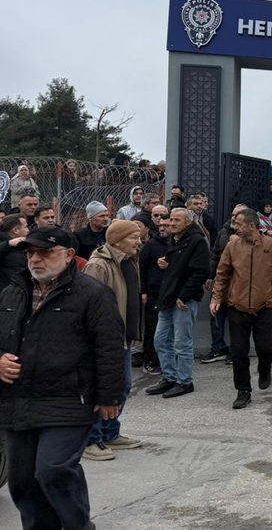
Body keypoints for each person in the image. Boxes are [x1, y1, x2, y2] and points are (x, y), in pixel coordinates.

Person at [0, 226, 124, 530]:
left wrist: (109, 396)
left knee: (53, 469)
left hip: (69, 399)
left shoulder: (92, 294)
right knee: (21, 480)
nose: (36, 260)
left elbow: (109, 346)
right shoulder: (13, 291)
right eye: (31, 253)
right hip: (18, 401)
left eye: (45, 253)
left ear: (69, 256)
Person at [211, 208, 272, 410]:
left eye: (238, 224)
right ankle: (243, 390)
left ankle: (264, 370)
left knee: (265, 348)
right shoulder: (232, 245)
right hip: (237, 306)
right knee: (238, 352)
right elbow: (222, 274)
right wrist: (216, 298)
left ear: (251, 225)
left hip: (265, 306)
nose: (234, 227)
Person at [81, 220, 144, 462]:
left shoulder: (129, 259)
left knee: (123, 386)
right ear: (117, 240)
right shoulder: (98, 265)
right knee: (103, 388)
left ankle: (109, 433)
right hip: (106, 339)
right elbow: (90, 306)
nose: (139, 242)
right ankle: (91, 440)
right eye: (133, 238)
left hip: (124, 336)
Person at [146, 208, 210, 399]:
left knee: (182, 342)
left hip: (184, 299)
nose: (171, 223)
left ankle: (184, 381)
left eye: (176, 220)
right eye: (171, 219)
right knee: (160, 340)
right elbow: (177, 266)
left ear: (188, 222)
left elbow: (200, 272)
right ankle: (170, 377)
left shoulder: (197, 241)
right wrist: (165, 262)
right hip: (168, 298)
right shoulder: (173, 239)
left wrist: (184, 295)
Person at [201, 204, 248, 365]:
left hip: (241, 282)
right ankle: (218, 348)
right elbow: (215, 253)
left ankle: (236, 351)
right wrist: (210, 275)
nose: (235, 217)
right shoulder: (224, 230)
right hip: (223, 280)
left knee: (238, 320)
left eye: (239, 214)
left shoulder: (252, 233)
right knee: (216, 316)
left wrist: (240, 242)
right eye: (234, 214)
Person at [139, 206, 171, 376]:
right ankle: (150, 361)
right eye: (161, 225)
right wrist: (143, 291)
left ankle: (167, 361)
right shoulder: (151, 245)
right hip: (153, 294)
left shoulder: (178, 244)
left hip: (172, 294)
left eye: (167, 225)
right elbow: (142, 268)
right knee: (152, 329)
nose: (163, 228)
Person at [0, 215, 30, 284]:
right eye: (25, 227)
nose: (28, 230)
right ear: (16, 230)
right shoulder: (5, 246)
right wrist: (7, 244)